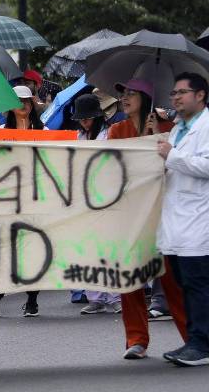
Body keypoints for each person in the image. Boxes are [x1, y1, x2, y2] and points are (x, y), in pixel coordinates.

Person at [107, 77, 187, 360]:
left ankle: (192, 337)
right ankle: (136, 338)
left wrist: (158, 136)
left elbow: (174, 169)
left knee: (172, 280)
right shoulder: (117, 130)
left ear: (146, 98)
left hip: (163, 215)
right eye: (123, 94)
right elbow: (113, 168)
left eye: (131, 94)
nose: (125, 99)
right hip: (130, 215)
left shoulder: (170, 130)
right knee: (130, 279)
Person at [156, 72, 209, 366]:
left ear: (200, 95)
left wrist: (173, 156)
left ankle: (202, 344)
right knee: (183, 284)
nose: (175, 98)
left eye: (181, 92)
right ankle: (193, 340)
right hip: (177, 222)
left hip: (199, 221)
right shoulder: (178, 129)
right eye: (173, 93)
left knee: (198, 285)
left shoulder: (207, 125)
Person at [0, 85, 44, 319]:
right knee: (2, 249)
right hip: (5, 200)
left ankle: (32, 300)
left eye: (26, 101)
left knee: (33, 249)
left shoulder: (44, 130)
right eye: (17, 101)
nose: (22, 105)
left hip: (35, 199)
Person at [70, 94, 122, 315]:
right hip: (85, 198)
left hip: (108, 196)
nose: (84, 122)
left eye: (88, 118)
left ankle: (116, 296)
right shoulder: (78, 137)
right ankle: (95, 297)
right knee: (89, 248)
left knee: (110, 249)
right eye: (81, 119)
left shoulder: (109, 134)